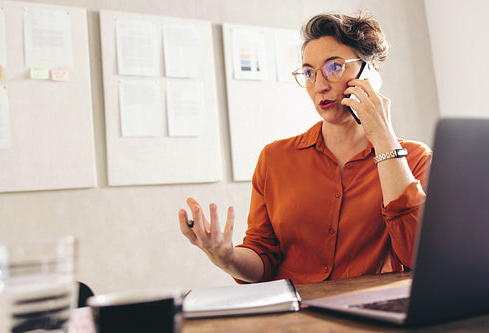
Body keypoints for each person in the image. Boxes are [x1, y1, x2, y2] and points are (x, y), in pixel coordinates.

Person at [178, 11, 432, 285]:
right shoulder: (275, 158)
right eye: (309, 72)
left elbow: (418, 256)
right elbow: (262, 257)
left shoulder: (415, 159)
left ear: (369, 71)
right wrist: (227, 258)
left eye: (334, 67)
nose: (320, 85)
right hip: (294, 318)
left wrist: (383, 136)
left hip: (367, 316)